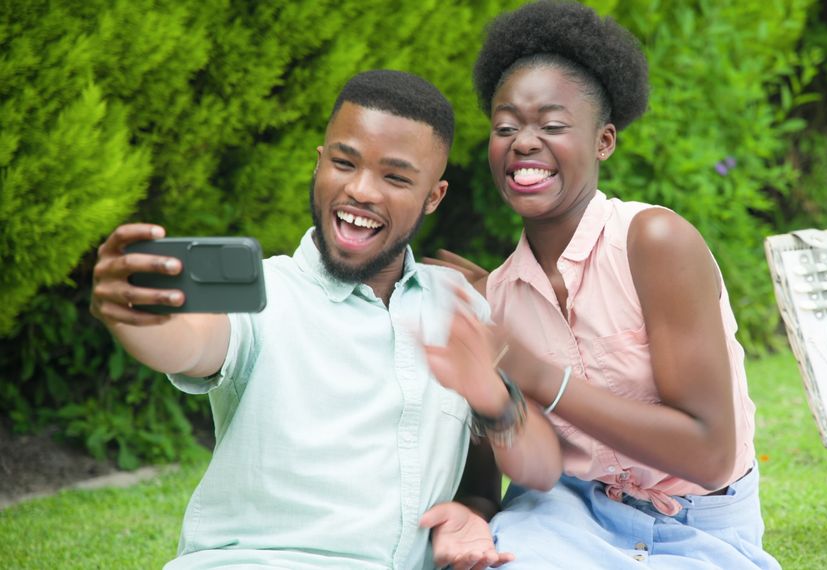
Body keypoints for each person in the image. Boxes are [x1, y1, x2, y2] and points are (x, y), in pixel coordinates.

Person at [90, 69, 560, 569]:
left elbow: (533, 468)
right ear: (319, 164)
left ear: (433, 197)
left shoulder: (458, 306)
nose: (361, 190)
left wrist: (475, 494)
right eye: (344, 163)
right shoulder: (265, 293)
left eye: (395, 177)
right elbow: (190, 342)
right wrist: (134, 317)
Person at [425, 2, 781, 568]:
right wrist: (470, 513)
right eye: (505, 126)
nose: (523, 142)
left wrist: (535, 374)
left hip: (694, 524)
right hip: (565, 513)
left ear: (604, 141)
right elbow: (495, 475)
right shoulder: (498, 298)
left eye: (552, 125)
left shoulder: (654, 243)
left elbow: (709, 455)